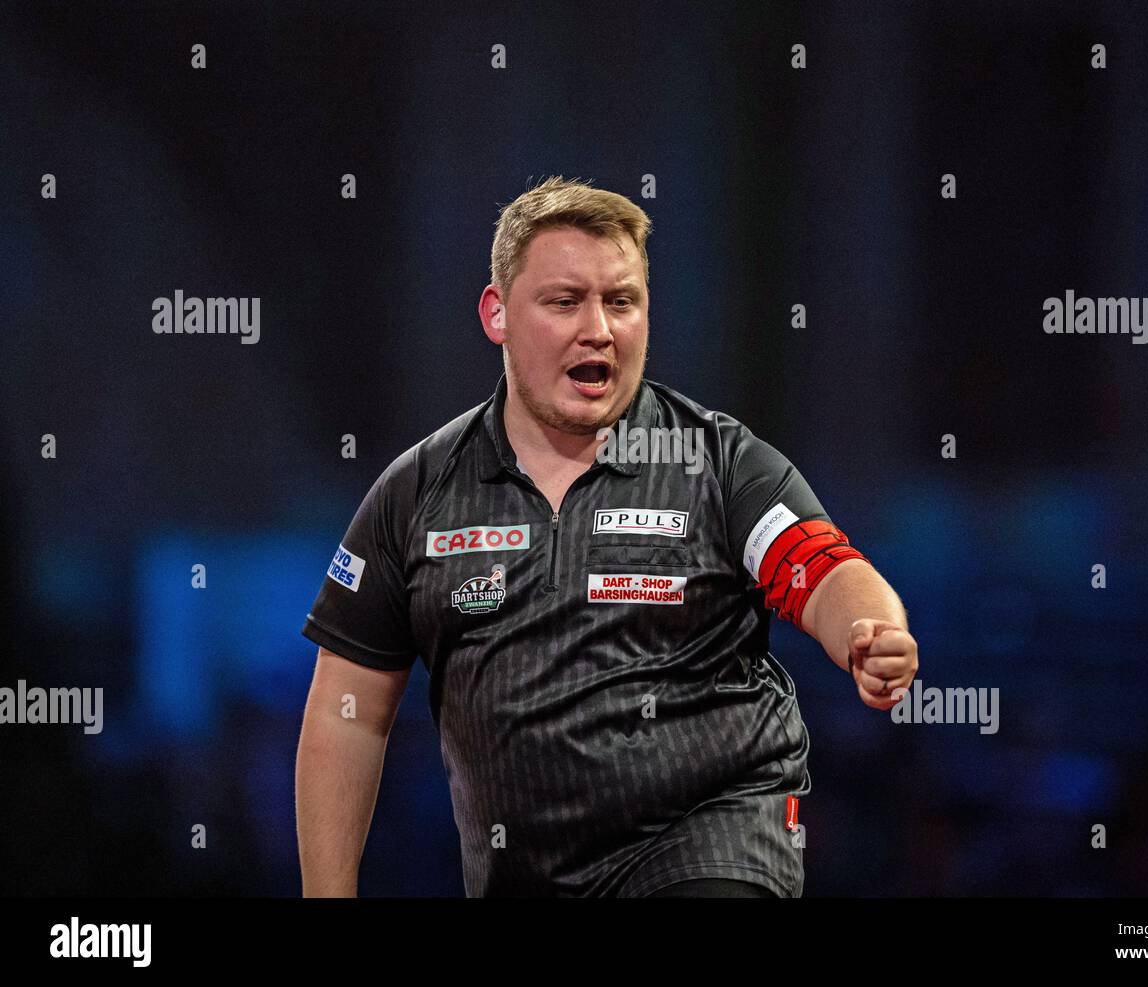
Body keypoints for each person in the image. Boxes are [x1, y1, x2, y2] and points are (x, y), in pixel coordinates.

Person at [294, 176, 918, 897]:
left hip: (713, 846)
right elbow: (349, 716)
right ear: (497, 313)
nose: (599, 328)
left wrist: (871, 630)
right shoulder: (415, 493)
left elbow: (822, 566)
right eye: (565, 301)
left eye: (621, 301)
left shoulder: (720, 462)